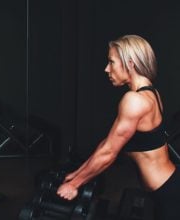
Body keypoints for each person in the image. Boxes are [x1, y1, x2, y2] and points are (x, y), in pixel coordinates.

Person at [56, 34, 179, 219]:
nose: (107, 69)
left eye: (111, 62)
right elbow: (107, 143)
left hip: (168, 193)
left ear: (130, 63)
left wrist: (74, 185)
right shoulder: (151, 93)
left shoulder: (134, 101)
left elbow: (110, 152)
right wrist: (78, 174)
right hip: (168, 186)